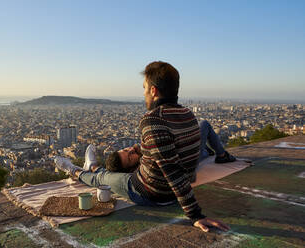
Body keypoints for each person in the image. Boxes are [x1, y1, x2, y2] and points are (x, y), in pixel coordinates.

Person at [54, 61, 230, 232]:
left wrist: (195, 214)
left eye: (145, 88)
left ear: (153, 91)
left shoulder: (153, 119)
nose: (144, 93)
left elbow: (171, 170)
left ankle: (76, 170)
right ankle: (91, 167)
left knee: (105, 178)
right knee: (111, 174)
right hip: (171, 189)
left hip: (150, 192)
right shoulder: (188, 114)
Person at [106, 120, 236, 175]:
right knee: (204, 124)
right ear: (131, 168)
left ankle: (206, 152)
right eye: (130, 157)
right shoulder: (145, 164)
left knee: (203, 152)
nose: (130, 150)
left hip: (185, 157)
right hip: (186, 159)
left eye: (125, 150)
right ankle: (222, 156)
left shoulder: (143, 157)